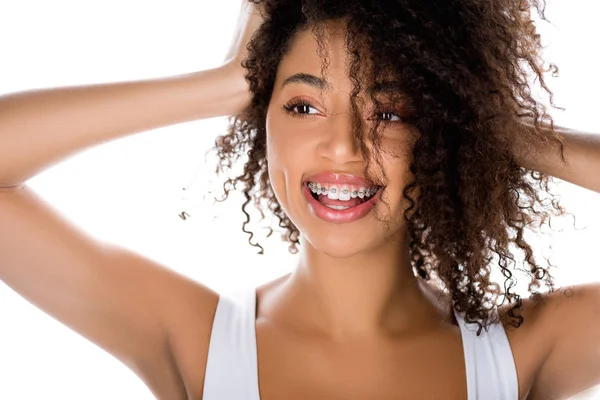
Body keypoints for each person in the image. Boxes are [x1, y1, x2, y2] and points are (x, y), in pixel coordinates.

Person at [0, 0, 598, 399]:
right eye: (303, 106)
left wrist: (505, 135)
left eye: (388, 112)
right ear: (261, 120)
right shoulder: (195, 340)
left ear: (440, 134)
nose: (342, 146)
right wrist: (227, 82)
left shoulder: (521, 352)